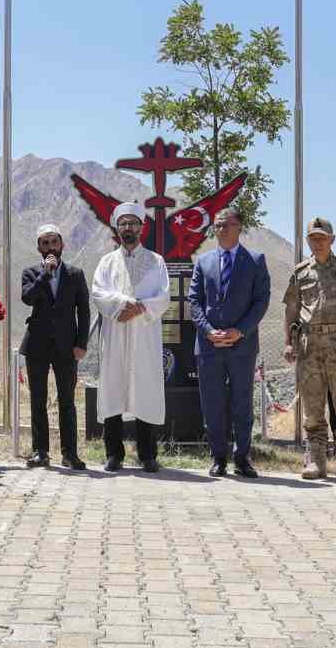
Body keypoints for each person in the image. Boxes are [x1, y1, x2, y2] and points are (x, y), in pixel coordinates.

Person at [282, 217, 336, 481]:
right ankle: (317, 462)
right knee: (312, 405)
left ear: (332, 239)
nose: (318, 242)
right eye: (313, 238)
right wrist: (288, 342)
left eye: (322, 237)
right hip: (310, 345)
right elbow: (291, 309)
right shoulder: (301, 272)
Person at [189, 208, 270, 477]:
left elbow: (261, 301)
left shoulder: (256, 260)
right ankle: (218, 457)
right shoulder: (203, 262)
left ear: (239, 228)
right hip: (209, 345)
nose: (221, 228)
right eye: (218, 224)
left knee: (242, 403)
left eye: (227, 224)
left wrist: (240, 331)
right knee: (212, 402)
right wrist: (209, 330)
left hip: (242, 345)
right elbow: (195, 301)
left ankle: (243, 457)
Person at [91, 204, 170, 472]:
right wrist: (123, 305)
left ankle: (147, 454)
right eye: (123, 223)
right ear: (117, 228)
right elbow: (99, 293)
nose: (128, 228)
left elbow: (163, 296)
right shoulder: (107, 262)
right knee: (114, 386)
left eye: (133, 223)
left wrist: (138, 309)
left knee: (144, 388)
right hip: (115, 332)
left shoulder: (156, 261)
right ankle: (114, 454)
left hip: (144, 334)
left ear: (141, 227)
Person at [21, 223, 92, 469]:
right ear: (39, 247)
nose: (51, 247)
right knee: (37, 399)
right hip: (37, 346)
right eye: (45, 243)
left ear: (62, 244)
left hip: (66, 347)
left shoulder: (75, 274)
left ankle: (69, 453)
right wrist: (45, 273)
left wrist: (81, 343)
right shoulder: (31, 273)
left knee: (67, 401)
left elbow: (83, 310)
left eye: (54, 242)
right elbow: (28, 297)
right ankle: (40, 451)